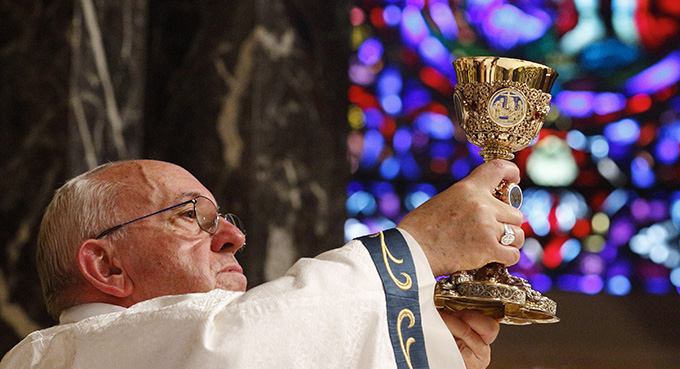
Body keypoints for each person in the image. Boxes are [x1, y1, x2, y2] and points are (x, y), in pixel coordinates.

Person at [0, 159, 525, 369]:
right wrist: (416, 247)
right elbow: (230, 348)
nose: (233, 236)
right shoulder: (70, 357)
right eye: (192, 217)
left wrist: (419, 346)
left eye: (223, 219)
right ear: (107, 267)